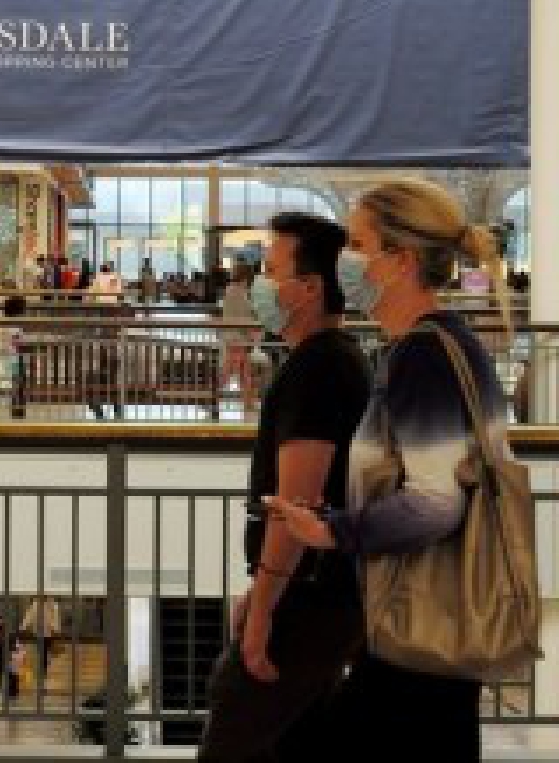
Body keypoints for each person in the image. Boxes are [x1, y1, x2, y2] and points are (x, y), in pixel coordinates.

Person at [268, 179, 510, 761]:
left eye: (356, 244)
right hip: (431, 624)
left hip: (418, 630)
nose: (345, 261)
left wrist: (332, 531)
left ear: (399, 260)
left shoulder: (424, 357)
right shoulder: (447, 346)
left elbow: (436, 500)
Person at [199, 213, 370, 763]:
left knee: (233, 733)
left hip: (310, 597)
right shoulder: (338, 360)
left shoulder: (316, 370)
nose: (260, 286)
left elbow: (296, 504)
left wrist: (265, 607)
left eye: (271, 271)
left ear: (310, 288)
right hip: (328, 591)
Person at [218, 260, 259, 412]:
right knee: (233, 371)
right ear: (246, 277)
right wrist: (253, 333)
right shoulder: (239, 293)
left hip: (232, 336)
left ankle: (248, 403)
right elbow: (244, 316)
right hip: (238, 338)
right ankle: (214, 399)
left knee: (242, 371)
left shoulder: (230, 290)